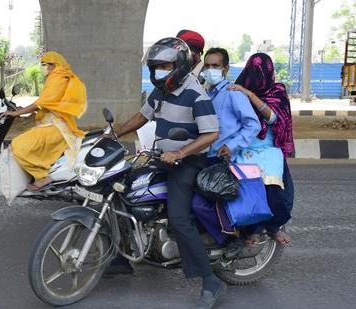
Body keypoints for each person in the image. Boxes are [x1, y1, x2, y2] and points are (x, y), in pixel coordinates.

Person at [111, 37, 225, 309]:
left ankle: (210, 281)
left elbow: (212, 133)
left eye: (164, 66)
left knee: (178, 217)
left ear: (180, 66)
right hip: (162, 158)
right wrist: (114, 133)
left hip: (188, 163)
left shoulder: (195, 94)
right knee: (121, 191)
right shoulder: (161, 90)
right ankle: (122, 259)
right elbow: (142, 116)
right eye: (155, 67)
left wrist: (181, 153)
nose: (158, 72)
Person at [228, 53, 295, 246]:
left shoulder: (277, 91)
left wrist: (250, 95)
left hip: (270, 148)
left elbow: (274, 119)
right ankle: (252, 230)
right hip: (245, 147)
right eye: (254, 72)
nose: (257, 77)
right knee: (249, 192)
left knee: (279, 192)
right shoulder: (236, 90)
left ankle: (273, 227)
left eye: (261, 72)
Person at [2, 51, 87, 191]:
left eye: (43, 64)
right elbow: (50, 105)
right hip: (53, 126)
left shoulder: (58, 78)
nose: (41, 67)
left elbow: (42, 103)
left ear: (52, 65)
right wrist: (22, 110)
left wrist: (17, 113)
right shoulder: (59, 77)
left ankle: (42, 177)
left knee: (18, 145)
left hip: (56, 128)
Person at [204, 47, 261, 162]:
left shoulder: (233, 93)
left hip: (223, 158)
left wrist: (231, 146)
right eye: (207, 66)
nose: (210, 69)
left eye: (215, 66)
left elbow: (253, 125)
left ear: (225, 69)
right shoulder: (206, 95)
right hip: (205, 156)